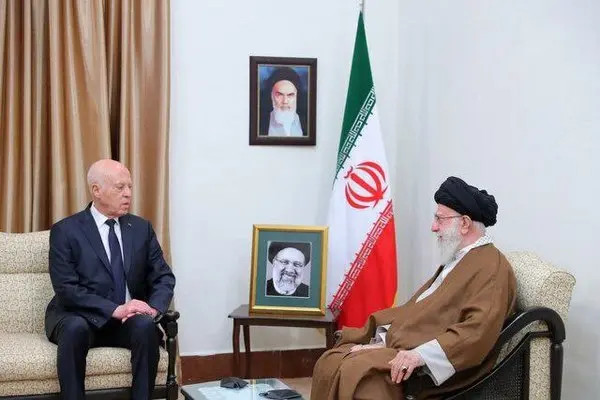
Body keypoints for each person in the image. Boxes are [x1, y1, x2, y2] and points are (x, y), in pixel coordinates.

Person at [311, 176, 517, 400]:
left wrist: (418, 355)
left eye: (440, 219)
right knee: (331, 361)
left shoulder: (492, 267)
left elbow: (476, 332)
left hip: (441, 367)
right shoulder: (459, 259)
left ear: (465, 223)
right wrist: (382, 341)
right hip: (411, 346)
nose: (433, 227)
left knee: (357, 374)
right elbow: (421, 312)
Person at [44, 159, 176, 400]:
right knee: (74, 329)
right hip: (80, 315)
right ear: (96, 190)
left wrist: (153, 309)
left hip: (126, 321)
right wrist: (115, 309)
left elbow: (163, 277)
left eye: (130, 187)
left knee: (145, 327)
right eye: (120, 187)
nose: (128, 194)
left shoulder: (141, 229)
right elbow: (66, 289)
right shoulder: (65, 231)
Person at [259, 67, 307, 137]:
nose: (285, 101)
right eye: (280, 95)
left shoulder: (307, 123)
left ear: (297, 96)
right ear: (271, 96)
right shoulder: (260, 124)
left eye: (290, 95)